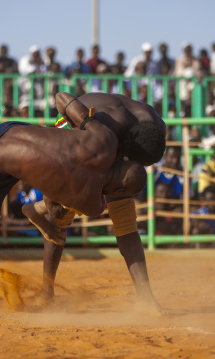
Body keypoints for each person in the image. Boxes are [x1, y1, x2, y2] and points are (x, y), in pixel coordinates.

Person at [0, 99, 163, 258]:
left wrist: (82, 122)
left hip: (14, 128)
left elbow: (61, 96)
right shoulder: (92, 202)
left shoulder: (104, 138)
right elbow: (70, 203)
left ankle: (37, 210)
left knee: (61, 186)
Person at [25, 91, 167, 315]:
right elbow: (60, 97)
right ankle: (46, 293)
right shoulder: (101, 132)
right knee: (61, 214)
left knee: (124, 216)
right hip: (74, 127)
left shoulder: (157, 125)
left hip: (107, 134)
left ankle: (146, 297)